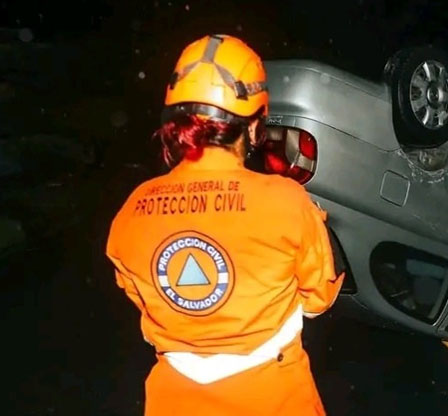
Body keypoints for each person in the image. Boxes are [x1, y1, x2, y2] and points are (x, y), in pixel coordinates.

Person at [105, 34, 342, 416]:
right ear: (252, 128)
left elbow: (142, 298)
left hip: (174, 401)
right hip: (273, 397)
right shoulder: (286, 200)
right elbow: (319, 299)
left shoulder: (132, 210)